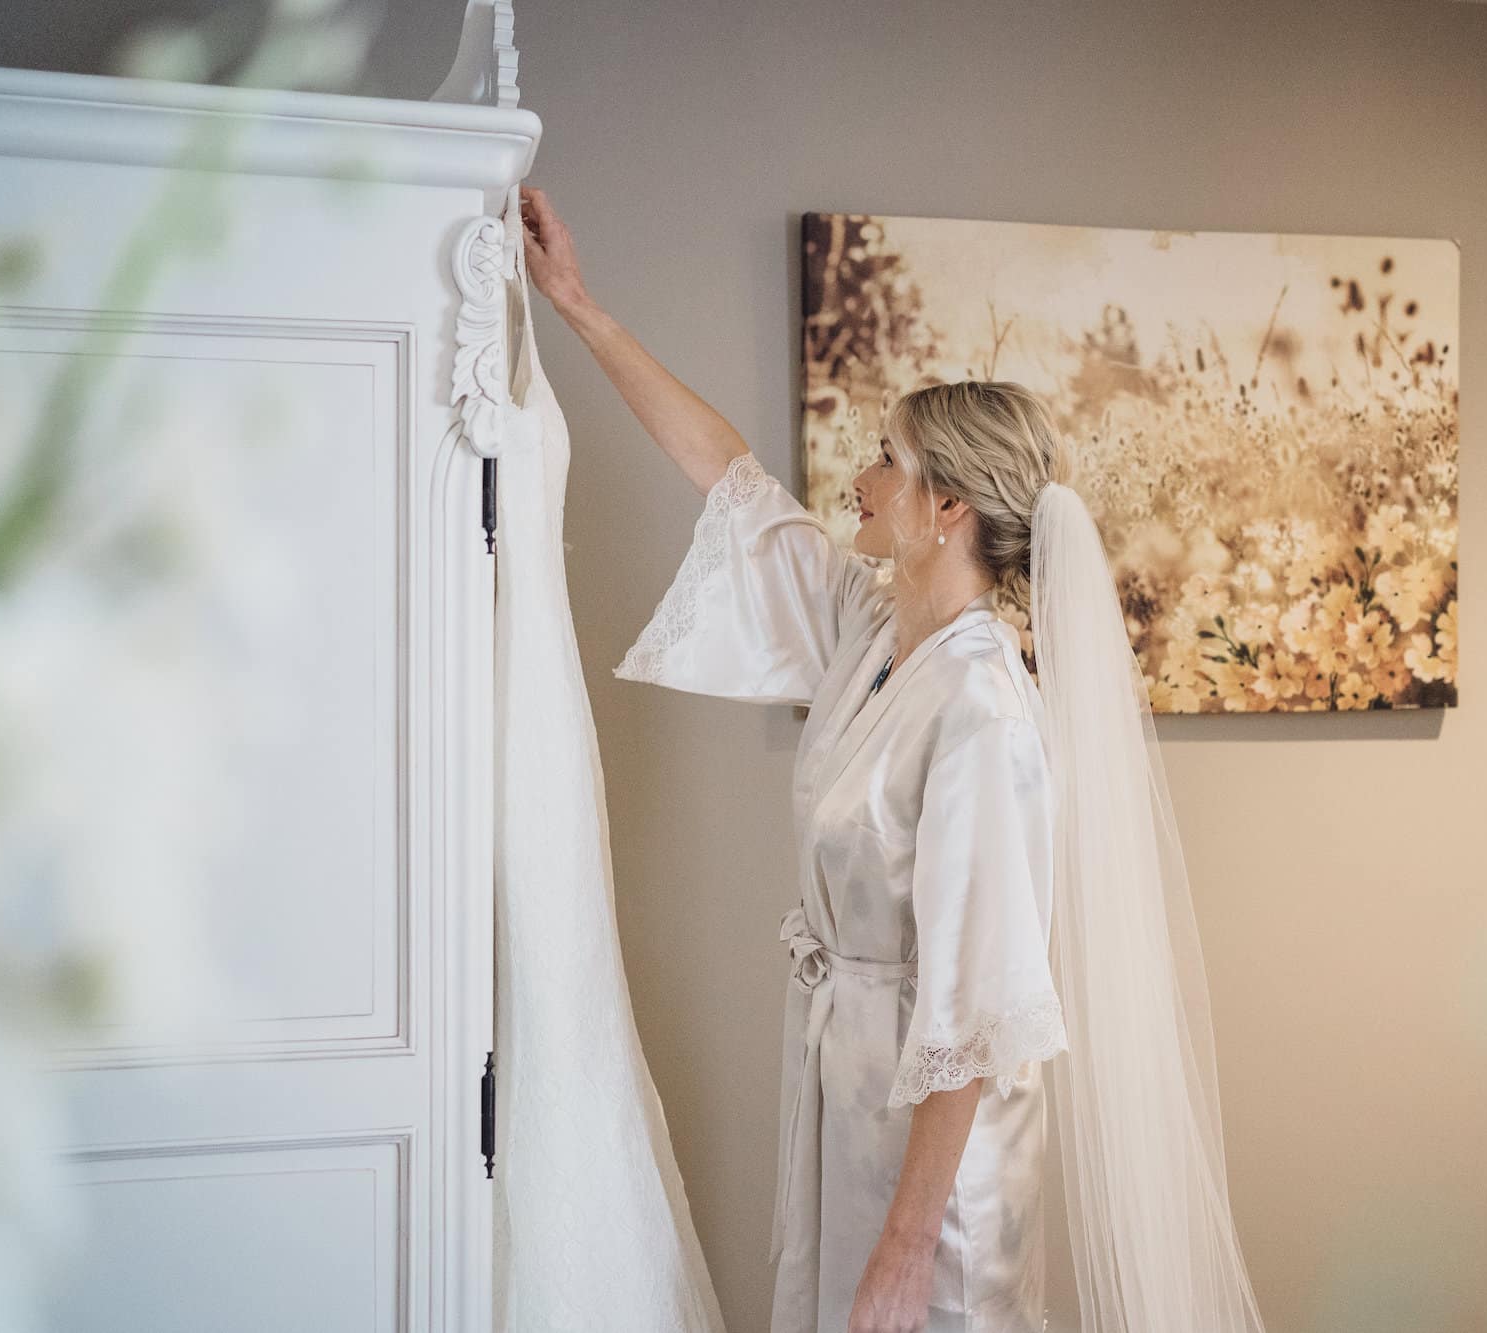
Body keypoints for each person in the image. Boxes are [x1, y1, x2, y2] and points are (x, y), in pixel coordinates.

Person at [520, 184, 1266, 1333]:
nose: (857, 479)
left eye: (885, 459)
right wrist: (578, 305)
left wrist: (909, 1243)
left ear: (945, 506)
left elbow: (976, 1010)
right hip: (847, 1093)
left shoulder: (982, 715)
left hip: (940, 1161)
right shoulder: (873, 634)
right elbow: (730, 479)